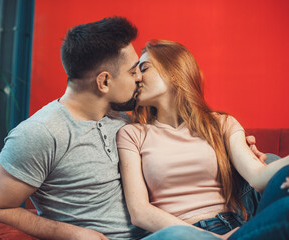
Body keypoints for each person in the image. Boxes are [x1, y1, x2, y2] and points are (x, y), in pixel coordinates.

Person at [0, 17, 263, 240]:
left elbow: (184, 144)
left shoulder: (124, 122)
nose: (139, 77)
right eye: (132, 71)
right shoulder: (40, 133)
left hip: (166, 232)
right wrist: (73, 233)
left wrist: (241, 153)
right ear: (104, 82)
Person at [116, 40, 289, 239]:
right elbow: (140, 213)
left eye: (144, 68)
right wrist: (211, 238)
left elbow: (258, 177)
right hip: (179, 234)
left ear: (173, 71)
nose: (136, 78)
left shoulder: (221, 123)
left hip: (234, 229)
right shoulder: (132, 134)